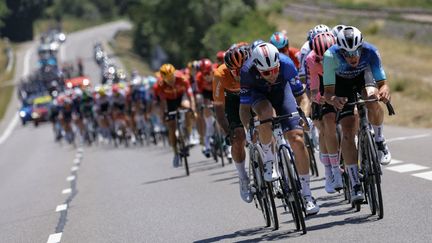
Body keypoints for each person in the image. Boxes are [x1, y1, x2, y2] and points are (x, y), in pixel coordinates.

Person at [240, 42, 319, 215]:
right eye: (266, 73)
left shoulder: (286, 64)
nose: (272, 75)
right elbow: (244, 109)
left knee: (298, 140)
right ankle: (269, 159)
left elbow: (302, 98)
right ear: (257, 68)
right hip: (259, 97)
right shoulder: (247, 71)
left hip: (282, 93)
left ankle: (307, 195)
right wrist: (249, 129)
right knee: (267, 113)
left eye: (275, 69)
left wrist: (304, 117)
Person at [323, 26, 392, 203]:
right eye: (347, 53)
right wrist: (334, 100)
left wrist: (383, 91)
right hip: (341, 84)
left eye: (356, 52)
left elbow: (383, 83)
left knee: (372, 98)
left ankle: (379, 140)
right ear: (340, 50)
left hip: (363, 77)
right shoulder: (331, 56)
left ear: (362, 46)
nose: (353, 57)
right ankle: (355, 183)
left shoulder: (371, 51)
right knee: (347, 130)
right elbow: (328, 93)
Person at [213, 43, 252, 203]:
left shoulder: (252, 68)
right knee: (238, 137)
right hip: (232, 102)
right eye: (234, 71)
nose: (238, 75)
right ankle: (243, 177)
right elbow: (219, 109)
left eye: (240, 70)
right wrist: (228, 132)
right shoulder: (219, 75)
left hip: (251, 95)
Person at [306, 32, 342, 194]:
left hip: (341, 80)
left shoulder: (341, 53)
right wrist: (317, 98)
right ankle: (331, 171)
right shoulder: (310, 59)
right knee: (326, 125)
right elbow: (314, 86)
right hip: (323, 85)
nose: (325, 61)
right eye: (321, 59)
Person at [154, 64, 196, 167]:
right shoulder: (160, 85)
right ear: (163, 78)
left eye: (171, 77)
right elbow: (162, 102)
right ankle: (175, 153)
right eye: (167, 79)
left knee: (187, 108)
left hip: (181, 98)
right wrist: (163, 115)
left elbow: (191, 97)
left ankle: (189, 134)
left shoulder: (182, 78)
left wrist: (193, 110)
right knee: (171, 128)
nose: (170, 80)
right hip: (169, 102)